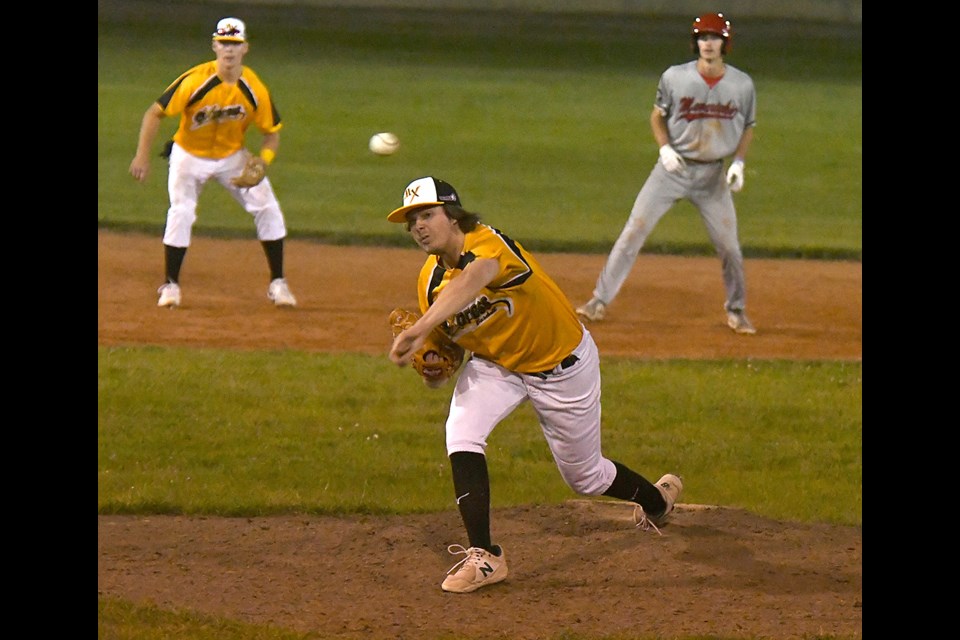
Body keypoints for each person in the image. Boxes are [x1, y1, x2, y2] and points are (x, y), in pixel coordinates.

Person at [387, 176, 683, 594]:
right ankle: (485, 557)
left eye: (427, 214)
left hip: (560, 366)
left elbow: (476, 278)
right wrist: (434, 367)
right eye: (411, 219)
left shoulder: (487, 243)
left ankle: (657, 501)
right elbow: (445, 351)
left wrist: (421, 326)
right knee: (461, 432)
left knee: (586, 477)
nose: (418, 225)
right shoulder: (428, 282)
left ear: (452, 215)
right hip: (499, 366)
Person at [576, 12, 756, 335]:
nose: (708, 44)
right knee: (634, 229)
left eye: (714, 38)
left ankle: (737, 310)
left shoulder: (741, 85)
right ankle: (598, 301)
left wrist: (739, 163)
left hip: (713, 177)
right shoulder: (675, 77)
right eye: (702, 37)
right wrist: (664, 149)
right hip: (671, 170)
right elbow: (657, 117)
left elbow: (748, 127)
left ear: (724, 43)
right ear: (695, 42)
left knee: (729, 246)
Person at [129, 17, 297, 309]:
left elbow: (272, 134)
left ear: (245, 48)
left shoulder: (254, 88)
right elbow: (153, 113)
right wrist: (142, 155)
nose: (228, 50)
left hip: (232, 157)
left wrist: (262, 162)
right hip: (188, 156)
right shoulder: (196, 80)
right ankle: (170, 285)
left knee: (268, 208)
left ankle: (278, 284)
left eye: (234, 44)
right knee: (181, 212)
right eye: (223, 43)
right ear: (214, 45)